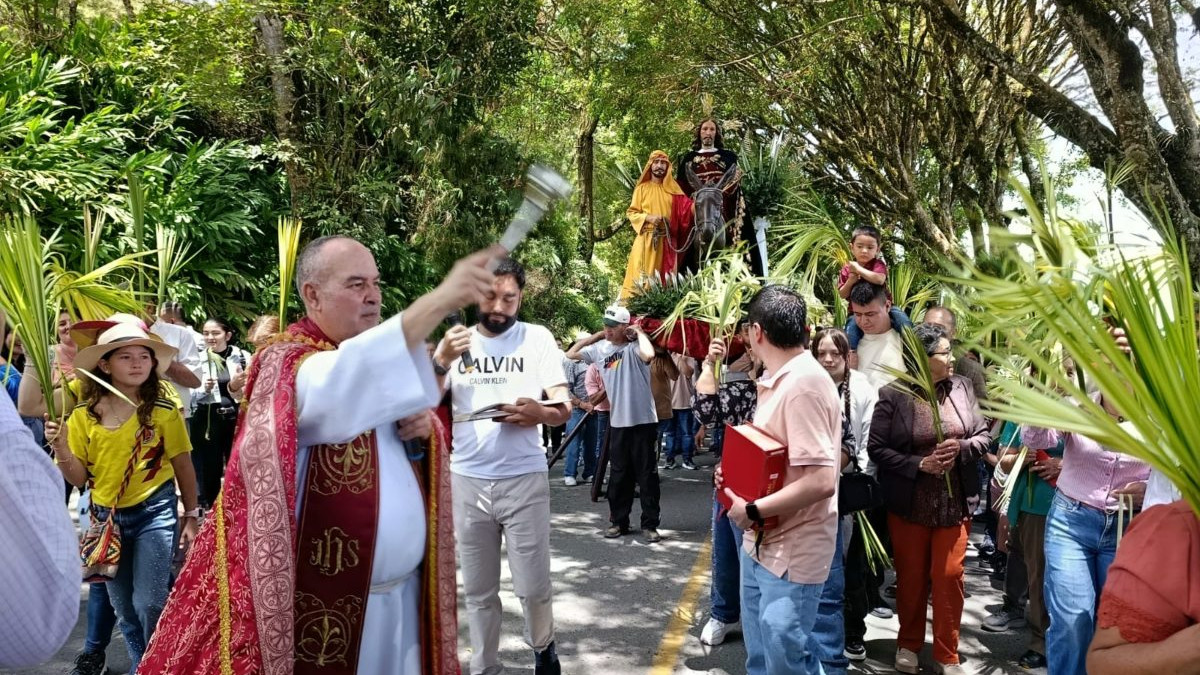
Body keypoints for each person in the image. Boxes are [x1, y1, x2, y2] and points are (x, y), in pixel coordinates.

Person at [139, 237, 495, 674]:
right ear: (312, 295)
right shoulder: (285, 364)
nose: (374, 295)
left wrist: (426, 431)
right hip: (323, 610)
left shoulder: (371, 361)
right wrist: (440, 300)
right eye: (356, 284)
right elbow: (343, 385)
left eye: (376, 283)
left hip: (405, 603)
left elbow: (399, 421)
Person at [433, 257, 570, 675]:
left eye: (509, 298)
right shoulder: (457, 343)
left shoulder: (537, 338)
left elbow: (563, 406)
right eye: (490, 296)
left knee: (532, 586)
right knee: (478, 589)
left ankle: (543, 647)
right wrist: (439, 360)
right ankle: (485, 666)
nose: (499, 307)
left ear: (520, 297)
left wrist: (539, 413)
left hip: (524, 478)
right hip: (468, 480)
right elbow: (422, 403)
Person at [46, 322, 200, 672]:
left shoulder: (162, 410)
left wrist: (191, 513)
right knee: (125, 608)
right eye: (126, 356)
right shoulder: (84, 415)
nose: (136, 363)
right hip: (105, 520)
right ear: (104, 364)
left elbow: (183, 463)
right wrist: (61, 447)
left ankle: (161, 663)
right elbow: (79, 477)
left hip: (155, 512)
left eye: (144, 356)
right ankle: (144, 663)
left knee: (149, 601)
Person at [720, 285, 841, 675]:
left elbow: (822, 480)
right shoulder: (780, 379)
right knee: (764, 659)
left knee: (786, 661)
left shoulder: (804, 383)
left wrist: (752, 508)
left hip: (792, 550)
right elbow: (776, 460)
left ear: (755, 332)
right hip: (762, 544)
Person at [867, 323, 991, 675]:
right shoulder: (894, 394)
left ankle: (947, 653)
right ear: (922, 359)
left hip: (954, 505)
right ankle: (907, 644)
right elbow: (877, 448)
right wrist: (918, 463)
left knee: (950, 575)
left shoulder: (963, 388)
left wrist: (963, 448)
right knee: (911, 577)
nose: (952, 358)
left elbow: (983, 436)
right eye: (945, 353)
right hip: (910, 505)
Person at [1023, 404, 1150, 675]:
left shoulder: (1158, 410)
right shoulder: (1076, 401)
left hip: (1128, 527)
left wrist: (1150, 489)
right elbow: (1034, 440)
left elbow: (1177, 468)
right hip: (1071, 521)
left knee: (1116, 625)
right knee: (1072, 621)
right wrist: (1041, 397)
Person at [0, 309, 78, 669]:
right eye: (62, 322)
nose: (68, 328)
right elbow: (30, 405)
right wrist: (36, 350)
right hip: (76, 475)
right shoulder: (81, 385)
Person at [812, 328, 878, 666]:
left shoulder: (863, 389)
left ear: (847, 355)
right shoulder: (810, 386)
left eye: (834, 353)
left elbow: (865, 439)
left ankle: (853, 632)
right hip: (815, 493)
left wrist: (860, 481)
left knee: (852, 568)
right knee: (822, 567)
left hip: (851, 490)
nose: (828, 359)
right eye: (821, 352)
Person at [570, 304, 661, 542]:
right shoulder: (600, 349)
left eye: (612, 327)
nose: (608, 330)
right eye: (605, 326)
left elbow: (649, 355)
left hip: (643, 421)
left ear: (624, 327)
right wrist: (597, 336)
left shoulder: (635, 348)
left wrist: (639, 333)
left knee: (647, 475)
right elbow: (571, 354)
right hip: (618, 421)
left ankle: (650, 525)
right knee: (619, 475)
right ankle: (618, 522)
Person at [695, 326, 760, 646]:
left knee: (758, 560)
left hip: (779, 488)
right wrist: (710, 364)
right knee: (725, 551)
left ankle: (756, 619)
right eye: (748, 333)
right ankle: (723, 613)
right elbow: (705, 408)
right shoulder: (742, 390)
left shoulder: (798, 385)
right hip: (733, 481)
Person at [980, 419, 1060, 670]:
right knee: (1035, 573)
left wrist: (1064, 466)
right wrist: (1018, 460)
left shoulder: (1084, 404)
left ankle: (1059, 643)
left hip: (1075, 503)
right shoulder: (1023, 412)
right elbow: (1003, 458)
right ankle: (1041, 641)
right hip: (1032, 504)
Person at [1086, 499, 1200, 674]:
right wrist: (1188, 653)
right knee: (1072, 621)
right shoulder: (1176, 529)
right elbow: (1104, 665)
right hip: (1083, 510)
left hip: (1123, 514)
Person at [675, 119, 754, 274]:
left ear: (716, 133)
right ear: (699, 133)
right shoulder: (688, 159)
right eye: (705, 129)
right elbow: (681, 188)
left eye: (712, 129)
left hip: (722, 203)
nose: (708, 133)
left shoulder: (728, 156)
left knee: (735, 229)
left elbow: (735, 179)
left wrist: (719, 193)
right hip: (696, 206)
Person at [190, 318, 250, 509]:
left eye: (215, 333)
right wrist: (204, 390)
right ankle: (212, 509)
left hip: (234, 417)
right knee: (210, 467)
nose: (210, 337)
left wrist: (238, 386)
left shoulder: (242, 357)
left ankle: (237, 506)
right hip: (207, 419)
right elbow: (189, 396)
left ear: (228, 335)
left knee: (237, 463)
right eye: (206, 333)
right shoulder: (196, 359)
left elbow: (250, 391)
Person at [621, 150, 693, 298]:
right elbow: (631, 213)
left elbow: (688, 209)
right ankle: (633, 312)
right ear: (651, 165)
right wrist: (648, 217)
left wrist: (704, 199)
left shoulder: (673, 190)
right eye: (656, 162)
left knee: (663, 281)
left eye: (663, 163)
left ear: (667, 167)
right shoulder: (642, 188)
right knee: (641, 278)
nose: (659, 166)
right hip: (646, 241)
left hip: (666, 242)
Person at [837, 226, 911, 352]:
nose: (864, 251)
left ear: (877, 249)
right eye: (860, 246)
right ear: (852, 247)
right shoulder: (846, 269)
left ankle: (913, 348)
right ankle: (850, 358)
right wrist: (850, 281)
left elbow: (879, 279)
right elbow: (842, 294)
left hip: (885, 307)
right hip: (856, 311)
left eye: (870, 247)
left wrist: (858, 270)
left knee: (904, 322)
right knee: (850, 335)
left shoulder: (878, 264)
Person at [848, 281, 905, 386]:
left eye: (870, 314)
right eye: (858, 314)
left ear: (887, 306)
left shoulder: (905, 342)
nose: (864, 321)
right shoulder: (850, 345)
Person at [561, 339, 599, 485]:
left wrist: (594, 404)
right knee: (574, 442)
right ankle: (570, 473)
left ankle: (590, 472)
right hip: (577, 409)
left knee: (592, 442)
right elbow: (566, 389)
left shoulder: (595, 361)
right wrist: (582, 404)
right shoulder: (570, 363)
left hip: (595, 408)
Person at [228, 314, 280, 401]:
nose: (260, 350)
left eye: (264, 346)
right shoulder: (255, 360)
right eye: (256, 346)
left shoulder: (293, 359)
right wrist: (234, 386)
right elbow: (243, 397)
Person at [662, 353, 697, 470]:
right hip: (669, 402)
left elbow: (689, 373)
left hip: (685, 402)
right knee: (670, 434)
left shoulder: (689, 357)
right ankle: (669, 459)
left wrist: (682, 359)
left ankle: (687, 459)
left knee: (687, 434)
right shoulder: (666, 357)